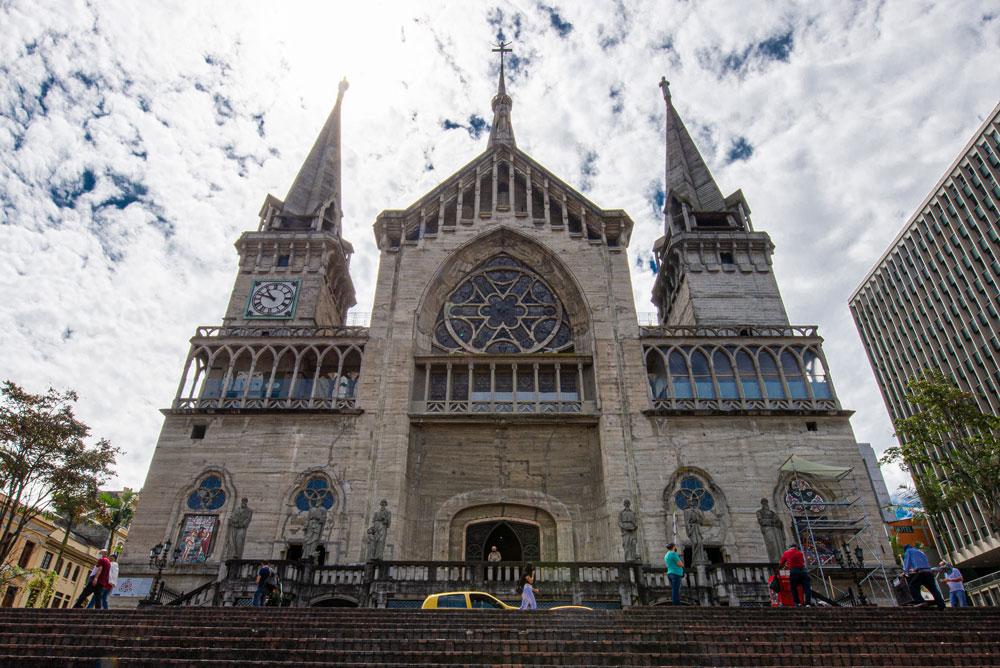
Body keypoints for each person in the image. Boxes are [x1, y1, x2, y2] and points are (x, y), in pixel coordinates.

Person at [902, 544, 945, 609]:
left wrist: (905, 572)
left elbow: (907, 562)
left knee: (912, 586)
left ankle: (920, 602)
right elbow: (924, 563)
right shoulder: (921, 552)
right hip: (928, 572)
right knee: (934, 590)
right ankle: (941, 605)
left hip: (921, 573)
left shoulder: (909, 551)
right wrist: (914, 569)